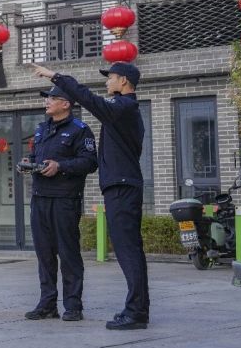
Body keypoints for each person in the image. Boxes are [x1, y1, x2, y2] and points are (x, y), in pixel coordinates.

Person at [32, 61, 150, 330]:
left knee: (128, 251)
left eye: (110, 77)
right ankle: (136, 309)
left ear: (123, 81)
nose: (107, 82)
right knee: (128, 250)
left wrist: (55, 76)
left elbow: (88, 99)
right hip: (117, 185)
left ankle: (136, 312)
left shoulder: (123, 107)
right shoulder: (121, 111)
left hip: (121, 186)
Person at [22, 86, 97, 323]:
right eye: (47, 99)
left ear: (66, 104)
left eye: (52, 98)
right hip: (40, 198)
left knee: (68, 253)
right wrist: (28, 163)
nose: (47, 102)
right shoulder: (41, 129)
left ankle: (73, 306)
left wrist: (60, 166)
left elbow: (90, 162)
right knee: (44, 254)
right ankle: (47, 304)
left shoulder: (80, 130)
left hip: (65, 199)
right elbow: (36, 157)